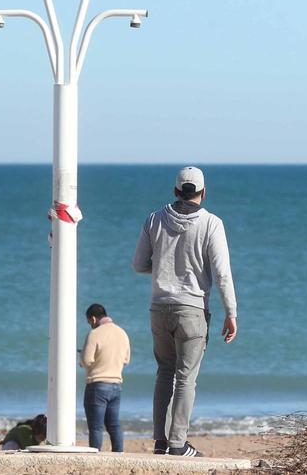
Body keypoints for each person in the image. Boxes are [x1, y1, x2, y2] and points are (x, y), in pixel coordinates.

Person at [132, 166, 239, 457]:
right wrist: (231, 312)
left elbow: (139, 264)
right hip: (191, 308)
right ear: (203, 193)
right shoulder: (212, 223)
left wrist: (166, 265)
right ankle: (178, 443)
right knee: (185, 377)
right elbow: (222, 274)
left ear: (176, 191)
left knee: (164, 372)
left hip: (159, 306)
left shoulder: (154, 219)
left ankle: (160, 441)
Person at [79, 303, 131, 452]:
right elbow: (126, 359)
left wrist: (81, 357)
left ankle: (95, 457)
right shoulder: (122, 333)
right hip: (116, 385)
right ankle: (118, 455)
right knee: (114, 425)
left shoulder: (94, 334)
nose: (90, 325)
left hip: (97, 385)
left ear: (93, 318)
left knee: (95, 427)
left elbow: (86, 360)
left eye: (89, 322)